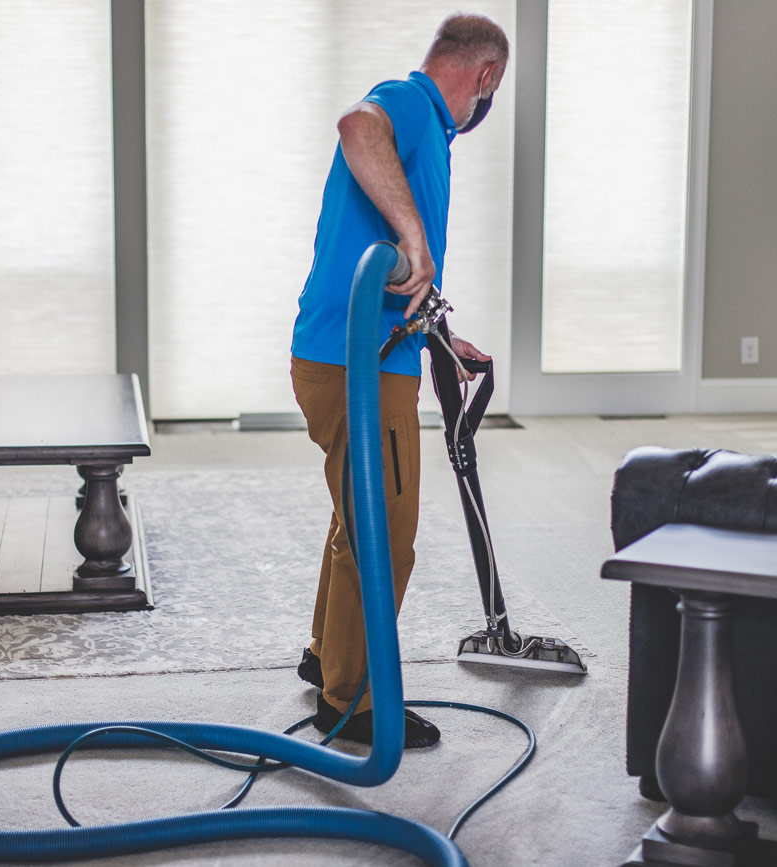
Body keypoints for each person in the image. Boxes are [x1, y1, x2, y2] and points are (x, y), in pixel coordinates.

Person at [289, 13, 508, 749]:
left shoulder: (429, 135)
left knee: (358, 509)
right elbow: (356, 126)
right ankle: (351, 701)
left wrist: (441, 333)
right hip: (359, 362)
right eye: (491, 94)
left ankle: (327, 653)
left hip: (353, 351)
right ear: (484, 77)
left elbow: (401, 280)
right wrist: (412, 238)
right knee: (388, 528)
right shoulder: (410, 104)